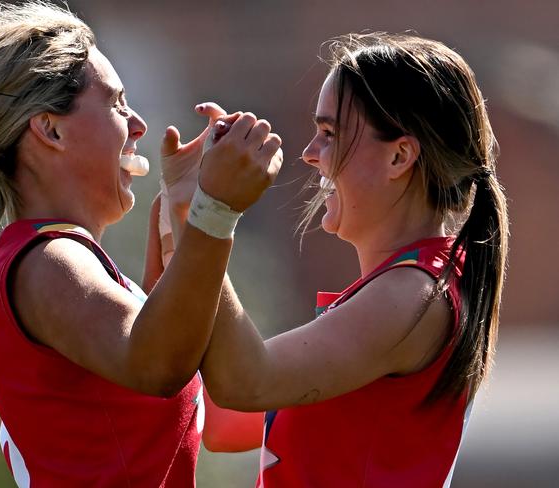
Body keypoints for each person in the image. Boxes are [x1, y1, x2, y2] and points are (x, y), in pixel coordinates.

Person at [0, 2, 282, 486]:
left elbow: (193, 393)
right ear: (50, 129)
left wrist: (189, 212)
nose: (138, 124)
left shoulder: (48, 259)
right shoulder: (49, 261)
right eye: (116, 103)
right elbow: (157, 362)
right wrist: (216, 211)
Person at [153, 32, 509, 487]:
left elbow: (244, 382)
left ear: (399, 155)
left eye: (329, 134)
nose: (310, 154)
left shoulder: (412, 296)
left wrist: (215, 213)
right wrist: (190, 211)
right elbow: (224, 421)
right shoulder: (399, 292)